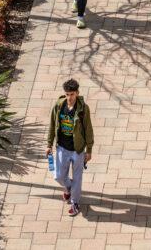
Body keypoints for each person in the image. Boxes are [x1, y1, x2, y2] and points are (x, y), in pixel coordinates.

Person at [46, 79, 94, 217]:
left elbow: (88, 130)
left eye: (72, 94)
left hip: (78, 149)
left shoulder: (83, 109)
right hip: (62, 147)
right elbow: (52, 125)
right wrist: (49, 144)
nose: (69, 97)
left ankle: (75, 202)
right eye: (67, 94)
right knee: (59, 176)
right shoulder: (59, 106)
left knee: (77, 177)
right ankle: (69, 189)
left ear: (77, 93)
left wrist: (89, 150)